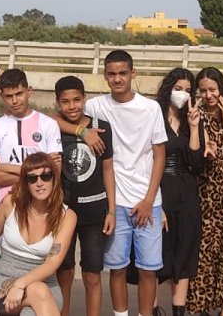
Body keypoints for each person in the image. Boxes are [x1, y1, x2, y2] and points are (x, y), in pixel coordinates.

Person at [81, 50, 166, 316]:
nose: (117, 79)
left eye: (122, 73)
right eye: (112, 74)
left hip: (147, 203)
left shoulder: (151, 108)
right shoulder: (95, 107)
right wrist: (82, 131)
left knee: (148, 270)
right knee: (117, 267)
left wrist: (149, 201)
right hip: (114, 204)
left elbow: (159, 155)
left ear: (133, 73)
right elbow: (59, 118)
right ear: (105, 76)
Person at [0, 152, 78, 316]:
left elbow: (51, 265)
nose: (39, 183)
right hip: (4, 281)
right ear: (25, 183)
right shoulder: (10, 204)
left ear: (54, 179)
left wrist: (20, 284)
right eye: (32, 178)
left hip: (45, 283)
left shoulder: (67, 216)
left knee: (33, 303)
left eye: (46, 176)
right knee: (38, 291)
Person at [53, 76, 116, 316]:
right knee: (64, 271)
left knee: (92, 274)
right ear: (57, 102)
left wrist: (111, 210)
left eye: (77, 100)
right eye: (65, 101)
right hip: (62, 213)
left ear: (85, 98)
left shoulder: (102, 127)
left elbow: (108, 170)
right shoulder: (53, 126)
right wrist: (81, 132)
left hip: (94, 212)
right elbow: (45, 117)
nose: (72, 106)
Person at [188, 67, 223, 316]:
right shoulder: (195, 115)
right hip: (203, 188)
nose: (209, 95)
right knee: (203, 250)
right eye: (203, 90)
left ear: (221, 88)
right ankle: (200, 304)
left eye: (213, 89)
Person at [153, 68, 203, 316]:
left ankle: (178, 312)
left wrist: (194, 127)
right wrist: (155, 203)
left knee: (184, 258)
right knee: (155, 259)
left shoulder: (192, 118)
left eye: (187, 90)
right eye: (178, 89)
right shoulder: (154, 115)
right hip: (160, 190)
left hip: (187, 194)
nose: (182, 95)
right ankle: (150, 309)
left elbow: (196, 161)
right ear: (168, 88)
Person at [0, 69, 62, 210]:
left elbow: (54, 173)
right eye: (9, 96)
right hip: (4, 205)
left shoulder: (48, 124)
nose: (14, 101)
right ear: (2, 96)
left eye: (19, 94)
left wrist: (4, 166)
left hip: (39, 206)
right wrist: (33, 174)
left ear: (29, 91)